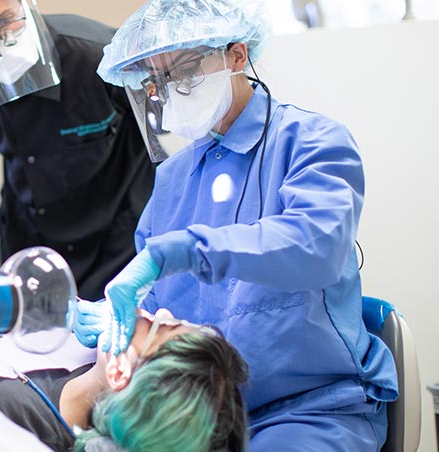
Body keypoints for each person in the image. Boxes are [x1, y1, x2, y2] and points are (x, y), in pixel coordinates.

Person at [73, 0, 399, 450]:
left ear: (237, 55)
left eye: (184, 71)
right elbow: (154, 302)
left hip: (308, 409)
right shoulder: (172, 179)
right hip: (197, 414)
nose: (169, 91)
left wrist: (184, 250)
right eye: (156, 81)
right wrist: (120, 319)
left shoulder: (311, 142)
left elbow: (315, 247)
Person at [0, 0, 155, 300]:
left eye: (5, 21)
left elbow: (154, 126)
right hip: (30, 231)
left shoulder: (97, 55)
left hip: (116, 232)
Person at [0, 308, 249, 452]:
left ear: (119, 373)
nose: (162, 311)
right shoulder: (88, 351)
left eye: (161, 326)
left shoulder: (5, 416)